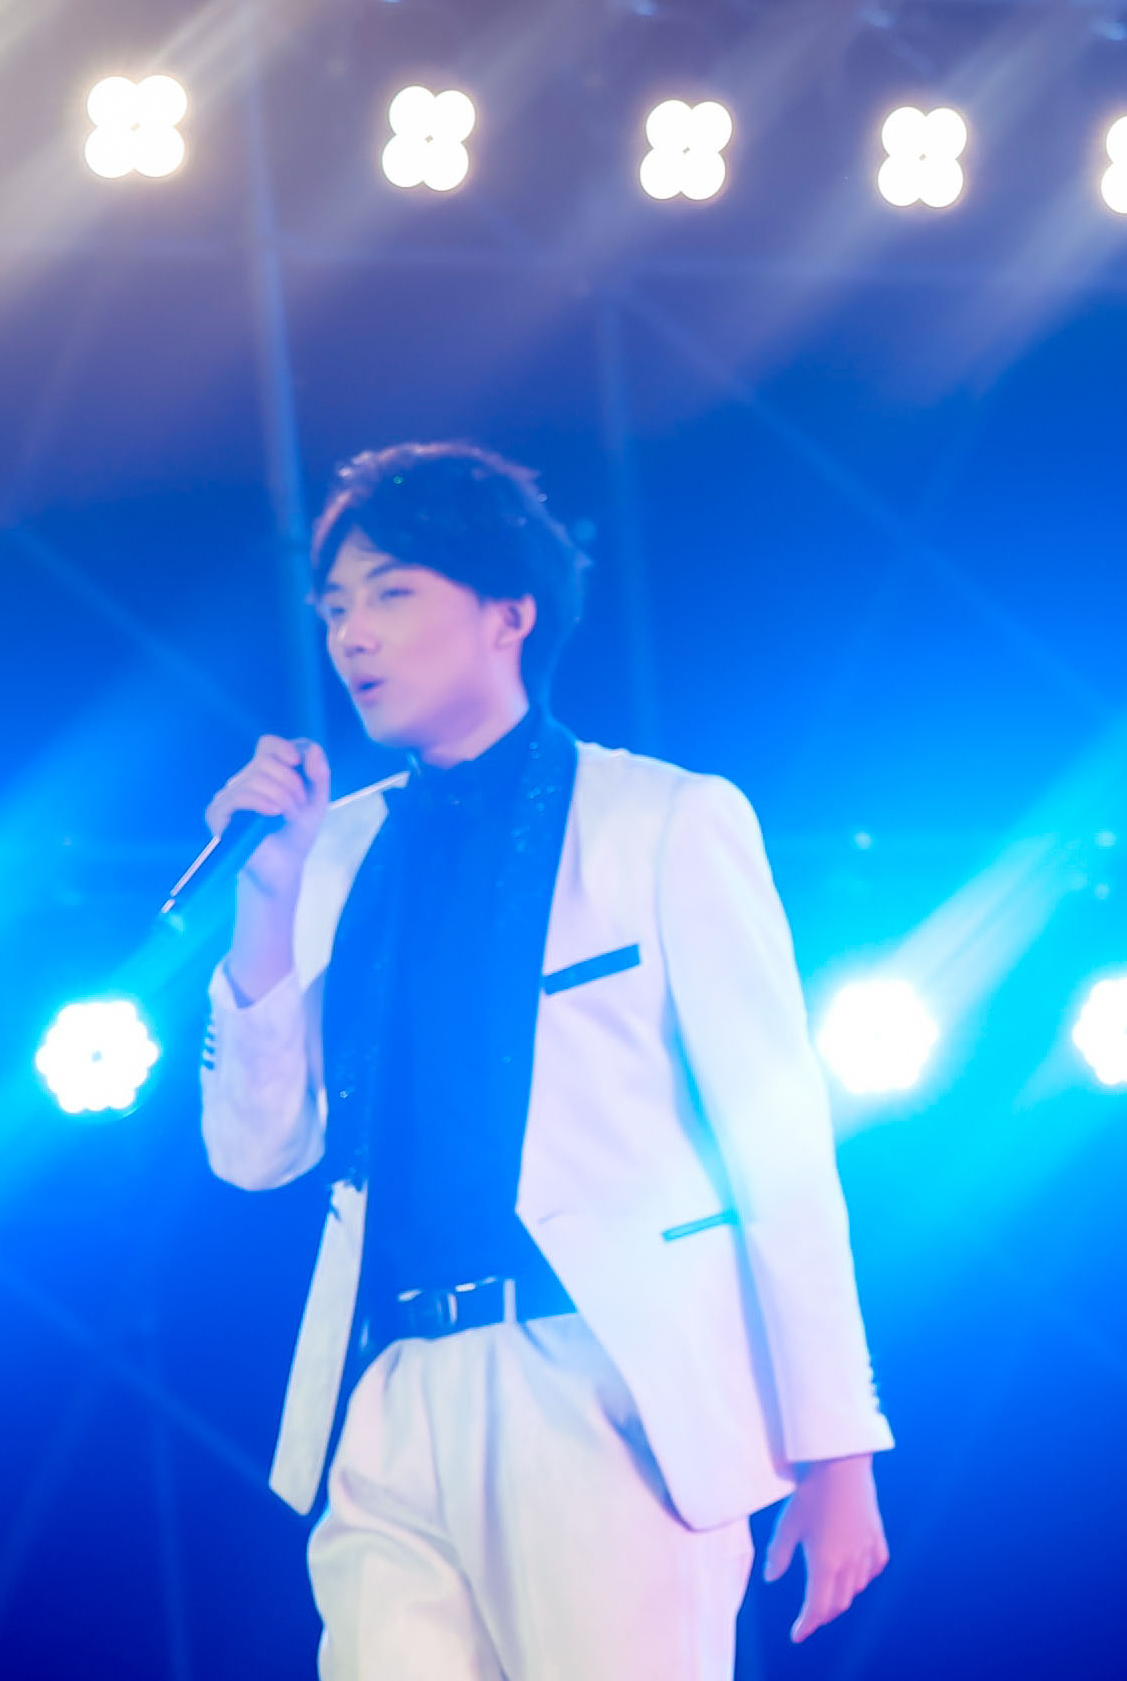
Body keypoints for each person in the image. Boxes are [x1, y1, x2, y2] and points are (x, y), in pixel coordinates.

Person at [199, 441, 892, 1676]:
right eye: (336, 607)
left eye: (392, 593)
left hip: (597, 1375)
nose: (354, 635)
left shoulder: (666, 819)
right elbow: (255, 1154)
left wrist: (837, 1444)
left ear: (509, 613)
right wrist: (266, 894)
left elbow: (780, 1149)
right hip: (385, 1387)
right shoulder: (333, 851)